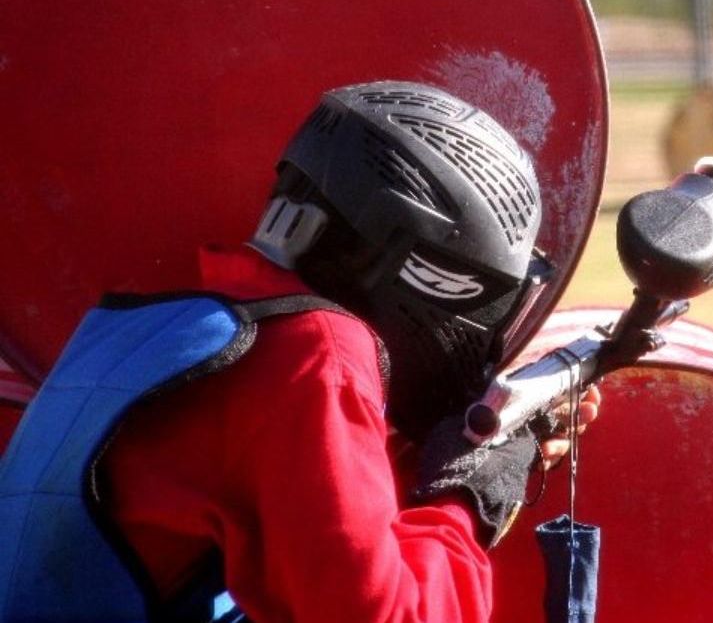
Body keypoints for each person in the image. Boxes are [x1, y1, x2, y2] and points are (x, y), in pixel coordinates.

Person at [0, 80, 599, 622]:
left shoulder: (176, 325)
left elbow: (302, 530)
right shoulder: (317, 345)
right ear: (427, 272)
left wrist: (448, 461)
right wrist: (465, 499)